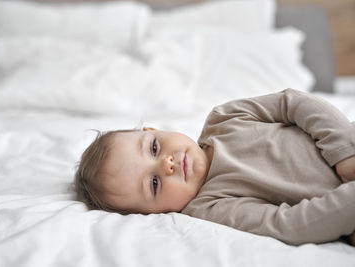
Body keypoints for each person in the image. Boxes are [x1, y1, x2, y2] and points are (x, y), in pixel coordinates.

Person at [74, 88, 355, 246]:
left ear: (152, 129)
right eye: (155, 183)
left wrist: (344, 152)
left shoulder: (225, 118)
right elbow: (290, 225)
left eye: (154, 148)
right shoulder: (211, 207)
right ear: (154, 213)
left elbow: (293, 102)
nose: (167, 164)